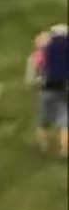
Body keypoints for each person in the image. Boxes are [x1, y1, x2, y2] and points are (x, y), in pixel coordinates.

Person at [35, 24, 69, 159]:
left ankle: (43, 147)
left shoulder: (48, 50)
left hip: (46, 90)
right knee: (65, 122)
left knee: (43, 121)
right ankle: (64, 149)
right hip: (62, 90)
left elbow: (39, 65)